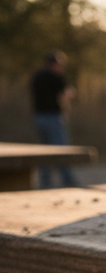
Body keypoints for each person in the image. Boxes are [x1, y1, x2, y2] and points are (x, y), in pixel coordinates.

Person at [29, 50, 79, 188]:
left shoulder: (37, 76)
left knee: (45, 151)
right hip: (53, 117)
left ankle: (44, 182)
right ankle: (68, 180)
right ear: (55, 64)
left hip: (38, 117)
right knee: (61, 149)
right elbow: (65, 94)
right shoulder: (56, 77)